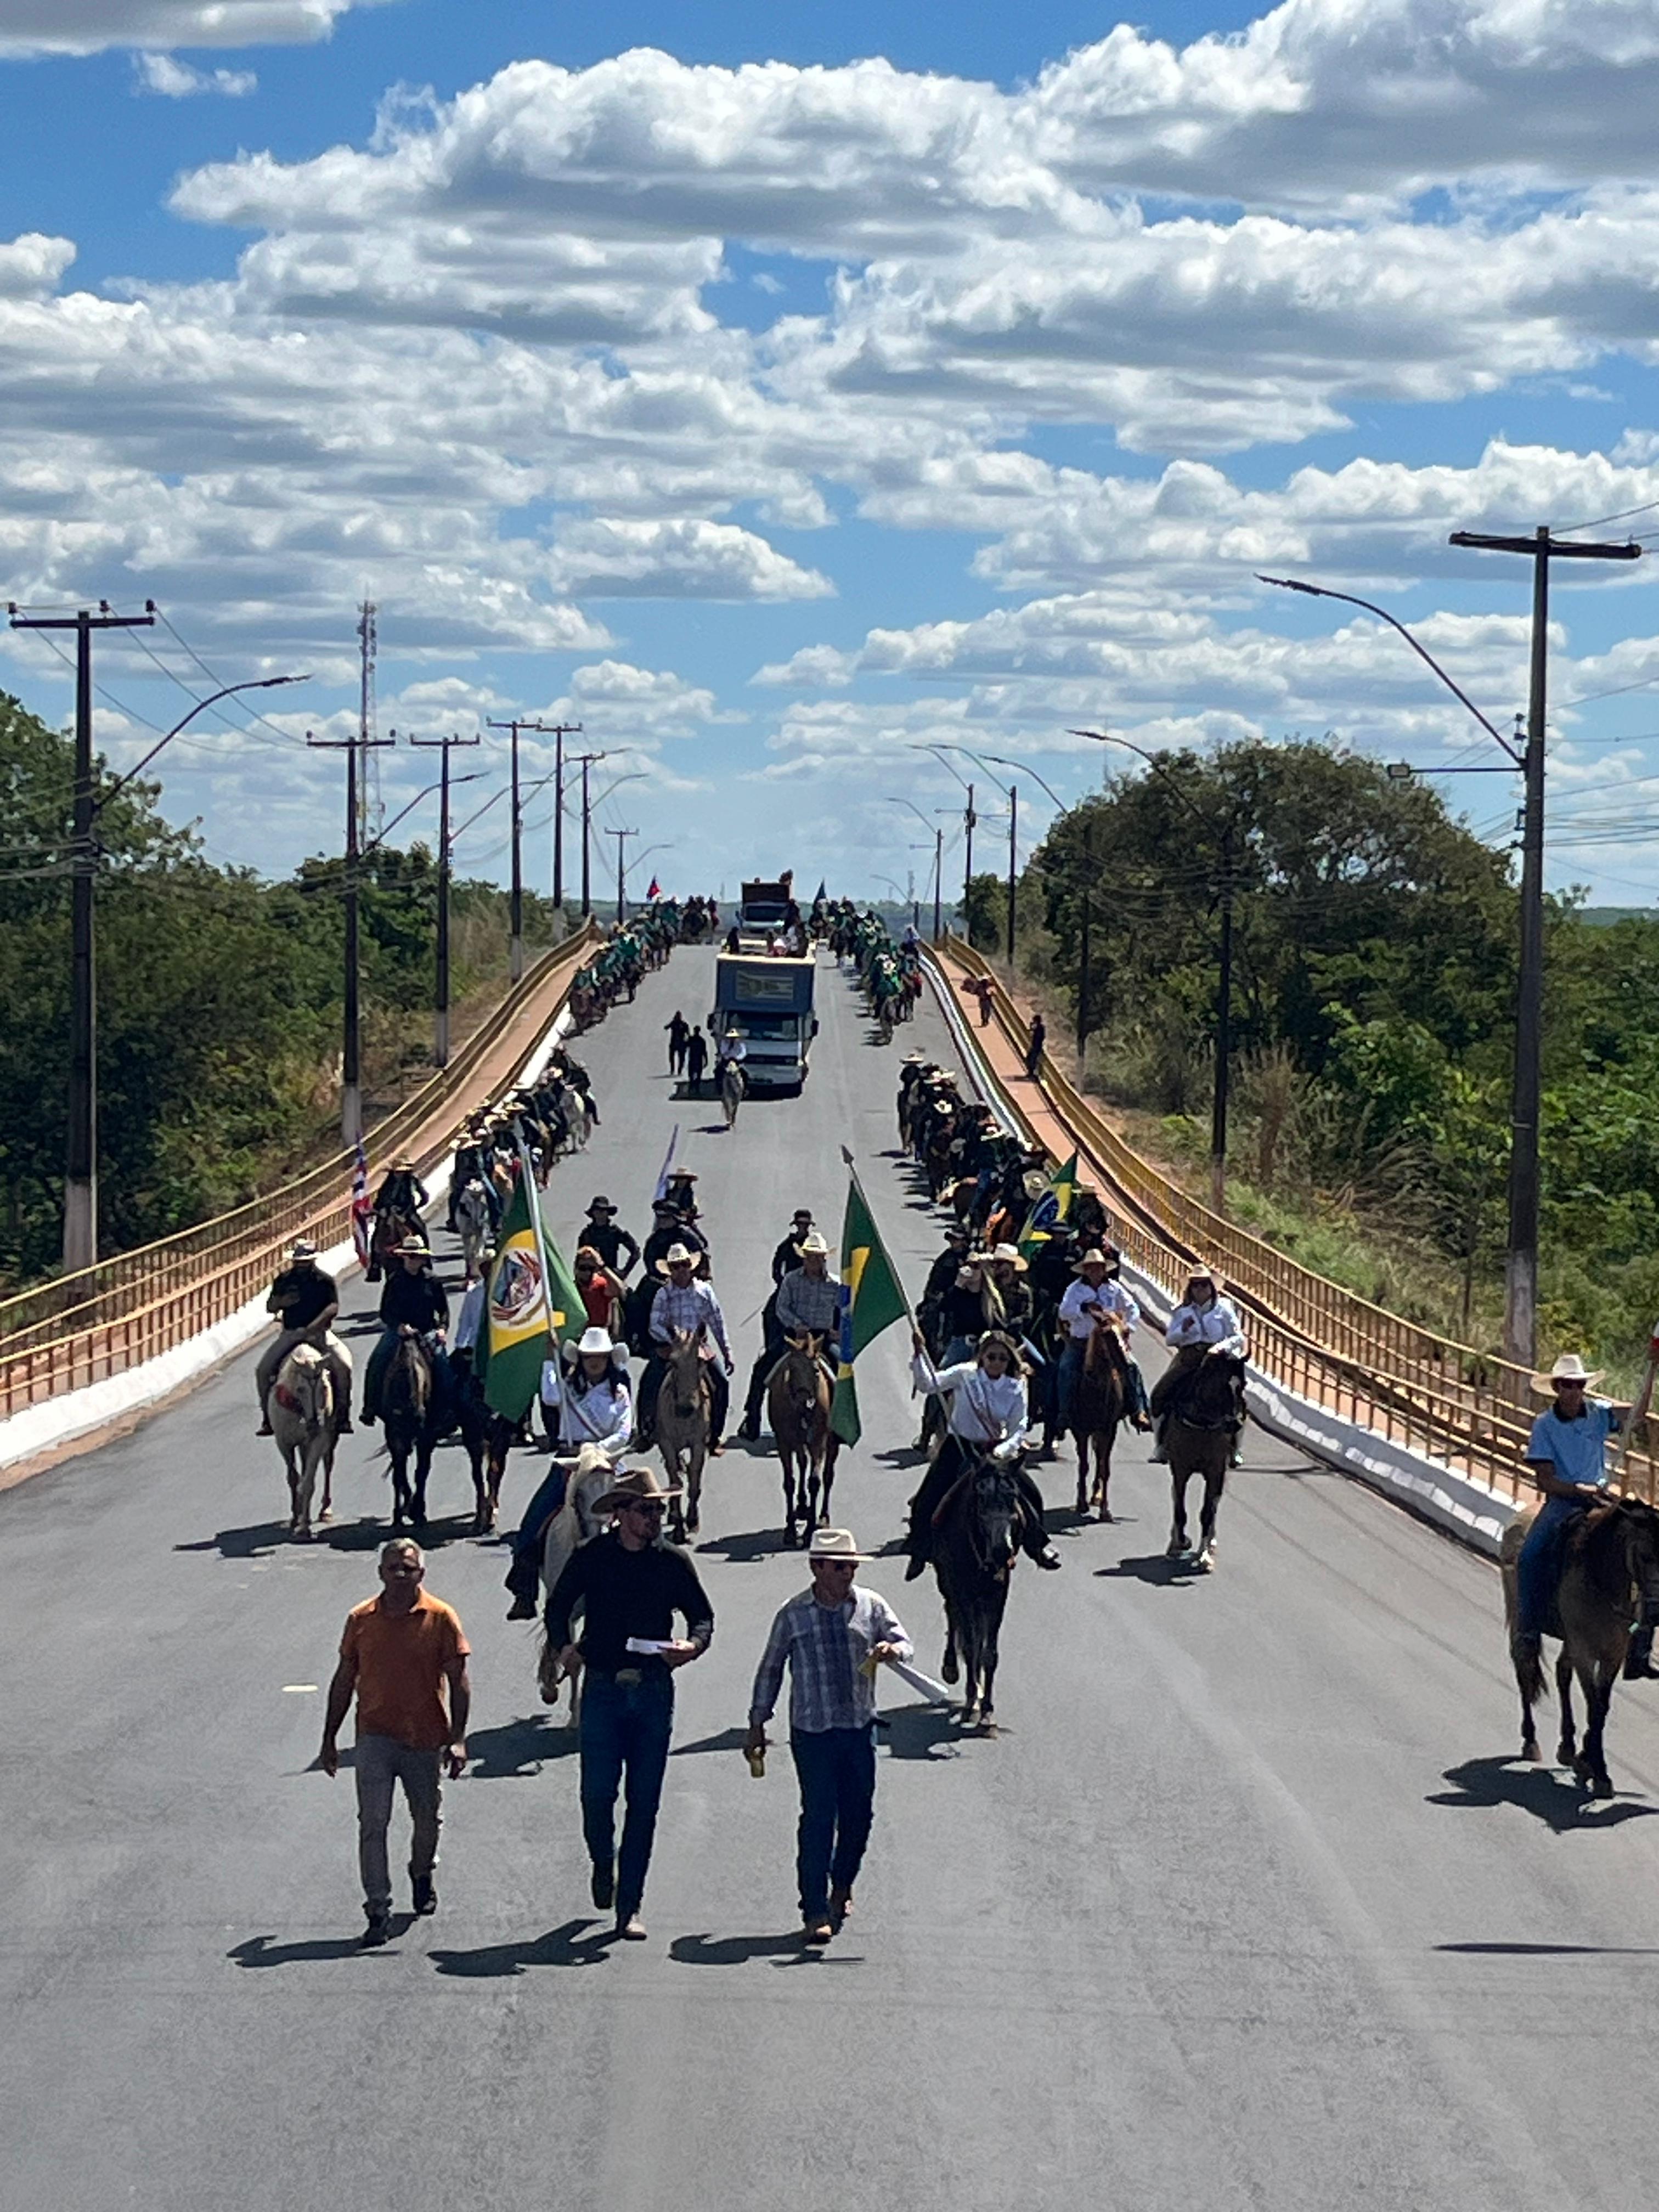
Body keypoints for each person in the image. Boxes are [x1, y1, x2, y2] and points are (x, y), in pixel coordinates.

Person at [546, 1465, 715, 1940]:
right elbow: (558, 1607)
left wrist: (692, 1646)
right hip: (602, 1686)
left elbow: (702, 1617)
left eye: (659, 1510)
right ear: (620, 1514)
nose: (654, 1518)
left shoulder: (673, 1561)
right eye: (645, 1510)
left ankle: (630, 1906)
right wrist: (563, 1647)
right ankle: (604, 1861)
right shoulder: (592, 1557)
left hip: (653, 1689)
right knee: (596, 1795)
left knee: (644, 1803)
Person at [746, 1528, 913, 1945]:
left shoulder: (871, 1605)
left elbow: (903, 1642)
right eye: (839, 1567)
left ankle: (842, 1882)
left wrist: (892, 1650)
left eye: (852, 1566)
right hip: (813, 1731)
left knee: (859, 1817)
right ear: (816, 1568)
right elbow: (771, 1669)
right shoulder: (793, 1614)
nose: (847, 1574)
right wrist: (757, 1722)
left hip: (858, 1728)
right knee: (819, 1817)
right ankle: (815, 1908)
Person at [319, 1538, 470, 1946]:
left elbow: (459, 1681)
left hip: (424, 1738)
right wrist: (329, 1738)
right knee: (373, 1822)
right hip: (375, 1736)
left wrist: (457, 1738)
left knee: (427, 1819)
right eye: (392, 1568)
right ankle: (377, 1908)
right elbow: (344, 1679)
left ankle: (422, 1872)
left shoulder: (440, 1618)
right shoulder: (361, 1619)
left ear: (422, 1574)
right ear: (380, 1574)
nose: (400, 1575)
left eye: (408, 1568)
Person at [905, 1328, 1060, 1576]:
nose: (996, 1363)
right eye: (991, 1357)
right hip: (960, 1447)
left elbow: (1018, 1427)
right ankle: (919, 1549)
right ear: (982, 1357)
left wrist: (1002, 1451)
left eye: (1002, 1358)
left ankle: (1039, 1545)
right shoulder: (965, 1375)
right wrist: (919, 1353)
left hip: (995, 1452)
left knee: (1030, 1494)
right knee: (928, 1496)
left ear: (1009, 1361)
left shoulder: (1016, 1387)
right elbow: (928, 1384)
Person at [1514, 1353, 1626, 1661]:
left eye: (1579, 1385)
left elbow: (1636, 1416)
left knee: (1639, 1542)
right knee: (1530, 1555)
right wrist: (1577, 1489)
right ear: (1557, 1388)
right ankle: (1528, 1630)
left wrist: (1653, 1368)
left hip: (1600, 1498)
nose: (1574, 1391)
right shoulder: (1545, 1425)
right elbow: (1546, 1480)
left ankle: (1637, 1636)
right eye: (1567, 1385)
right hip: (1564, 1501)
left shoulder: (1598, 1413)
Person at [1149, 1263, 1247, 1464]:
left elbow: (1237, 1336)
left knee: (1235, 1396)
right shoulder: (1183, 1311)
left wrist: (1221, 1347)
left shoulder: (1224, 1309)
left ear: (1211, 1287)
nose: (1200, 1289)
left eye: (1204, 1284)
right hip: (1190, 1357)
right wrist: (1183, 1330)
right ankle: (1161, 1445)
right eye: (1195, 1285)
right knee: (1160, 1394)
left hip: (1219, 1359)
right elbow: (1170, 1339)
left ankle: (1235, 1448)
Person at [255, 1238, 353, 1436]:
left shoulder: (324, 1281)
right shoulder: (284, 1280)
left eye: (305, 1262)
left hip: (319, 1334)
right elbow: (270, 1307)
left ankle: (343, 1415)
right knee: (263, 1370)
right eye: (299, 1262)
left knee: (343, 1366)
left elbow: (333, 1307)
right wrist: (282, 1301)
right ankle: (267, 1417)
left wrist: (314, 1326)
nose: (301, 1266)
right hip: (291, 1333)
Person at [738, 1209, 821, 1440]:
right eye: (800, 1225)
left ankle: (837, 1423)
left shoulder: (825, 1282)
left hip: (817, 1337)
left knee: (840, 1367)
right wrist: (784, 1284)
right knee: (762, 1368)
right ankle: (752, 1418)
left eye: (806, 1225)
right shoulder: (786, 1247)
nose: (803, 1228)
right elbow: (776, 1268)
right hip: (789, 1331)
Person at [645, 1243, 735, 1452]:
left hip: (698, 1347)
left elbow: (717, 1322)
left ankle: (714, 1435)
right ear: (670, 1270)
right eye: (675, 1267)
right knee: (650, 1381)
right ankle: (647, 1429)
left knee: (721, 1382)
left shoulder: (704, 1291)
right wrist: (672, 1339)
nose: (681, 1270)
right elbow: (654, 1324)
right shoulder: (663, 1294)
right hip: (673, 1348)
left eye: (684, 1265)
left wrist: (727, 1351)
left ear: (691, 1266)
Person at [1056, 1247, 1149, 1440]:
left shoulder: (1114, 1289)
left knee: (1132, 1367)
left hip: (1109, 1340)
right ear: (1085, 1270)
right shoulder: (1075, 1290)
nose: (1095, 1271)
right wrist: (1083, 1308)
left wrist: (1128, 1327)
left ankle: (1139, 1410)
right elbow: (1064, 1312)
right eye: (1091, 1268)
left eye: (1098, 1267)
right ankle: (1064, 1413)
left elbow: (1132, 1308)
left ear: (1104, 1269)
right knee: (1066, 1368)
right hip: (1081, 1342)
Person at [360, 1237, 452, 1429]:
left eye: (416, 1257)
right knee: (377, 1360)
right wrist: (399, 1326)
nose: (412, 1260)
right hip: (399, 1332)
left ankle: (447, 1413)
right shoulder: (395, 1280)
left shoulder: (432, 1281)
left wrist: (442, 1328)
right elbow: (385, 1312)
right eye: (409, 1256)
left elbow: (443, 1309)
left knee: (443, 1365)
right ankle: (370, 1407)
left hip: (426, 1331)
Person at [580, 1195, 640, 1279]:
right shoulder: (587, 1234)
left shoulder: (615, 1232)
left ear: (608, 1213)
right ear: (593, 1213)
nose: (600, 1213)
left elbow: (635, 1252)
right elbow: (580, 1258)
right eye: (597, 1210)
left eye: (603, 1210)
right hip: (591, 1277)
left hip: (611, 1276)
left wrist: (624, 1273)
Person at [374, 1153, 431, 1240]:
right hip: (402, 1212)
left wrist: (380, 1208)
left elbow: (380, 1199)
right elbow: (425, 1198)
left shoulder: (389, 1182)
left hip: (399, 1212)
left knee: (377, 1235)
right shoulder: (412, 1181)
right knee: (422, 1231)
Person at [685, 1025, 710, 1094]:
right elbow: (704, 1052)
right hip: (697, 1059)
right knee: (696, 1075)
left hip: (694, 1059)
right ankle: (695, 1088)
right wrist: (706, 1060)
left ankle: (693, 1088)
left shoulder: (693, 1039)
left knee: (693, 1075)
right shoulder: (701, 1040)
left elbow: (685, 1046)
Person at [665, 1010, 690, 1076]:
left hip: (680, 1043)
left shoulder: (683, 1024)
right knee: (673, 1057)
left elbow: (688, 1034)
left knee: (681, 1058)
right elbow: (667, 1027)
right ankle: (673, 1070)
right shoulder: (675, 1023)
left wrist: (687, 1042)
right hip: (675, 1043)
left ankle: (679, 1070)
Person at [1025, 1013, 1047, 1080]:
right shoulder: (1037, 1028)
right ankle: (1031, 1073)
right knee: (1029, 1059)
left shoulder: (1040, 1028)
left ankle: (1033, 1074)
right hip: (1035, 1046)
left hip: (1037, 1047)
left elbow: (1040, 1037)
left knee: (1033, 1060)